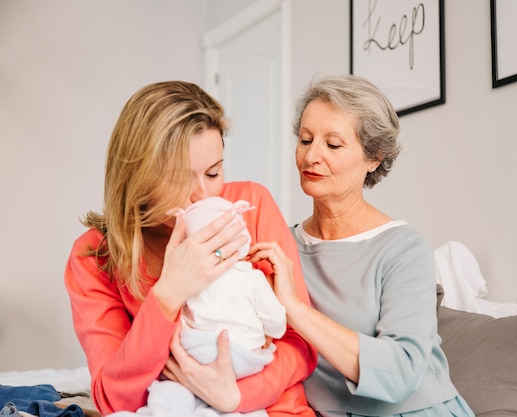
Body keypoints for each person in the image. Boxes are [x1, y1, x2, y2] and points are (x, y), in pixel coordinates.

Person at [64, 81, 317, 416]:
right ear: (137, 176)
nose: (203, 195)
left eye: (214, 172)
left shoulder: (251, 205)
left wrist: (236, 396)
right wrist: (169, 293)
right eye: (180, 179)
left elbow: (300, 343)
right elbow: (114, 400)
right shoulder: (94, 257)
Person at [248, 74, 475, 416]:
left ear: (374, 157)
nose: (311, 156)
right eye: (305, 139)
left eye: (333, 145)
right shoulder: (284, 245)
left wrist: (296, 309)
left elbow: (402, 370)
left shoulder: (403, 248)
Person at [130, 196, 287, 417]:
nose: (200, 189)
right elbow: (277, 321)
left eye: (213, 173)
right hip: (243, 357)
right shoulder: (251, 278)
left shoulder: (189, 277)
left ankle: (167, 408)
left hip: (196, 350)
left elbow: (177, 317)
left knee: (171, 387)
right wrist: (270, 332)